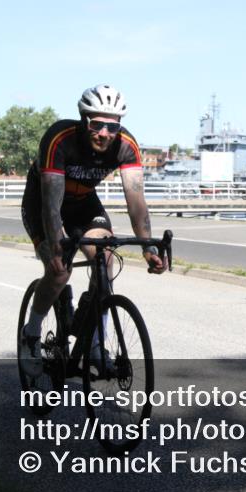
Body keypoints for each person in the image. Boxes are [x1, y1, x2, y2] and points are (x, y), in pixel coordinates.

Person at [19, 84, 165, 376]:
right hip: (44, 203)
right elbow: (51, 206)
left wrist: (148, 248)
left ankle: (97, 346)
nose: (104, 133)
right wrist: (57, 246)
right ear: (83, 120)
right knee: (59, 269)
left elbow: (136, 203)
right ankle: (31, 333)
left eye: (112, 126)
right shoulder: (60, 139)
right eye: (96, 124)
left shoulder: (126, 146)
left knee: (106, 258)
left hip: (84, 204)